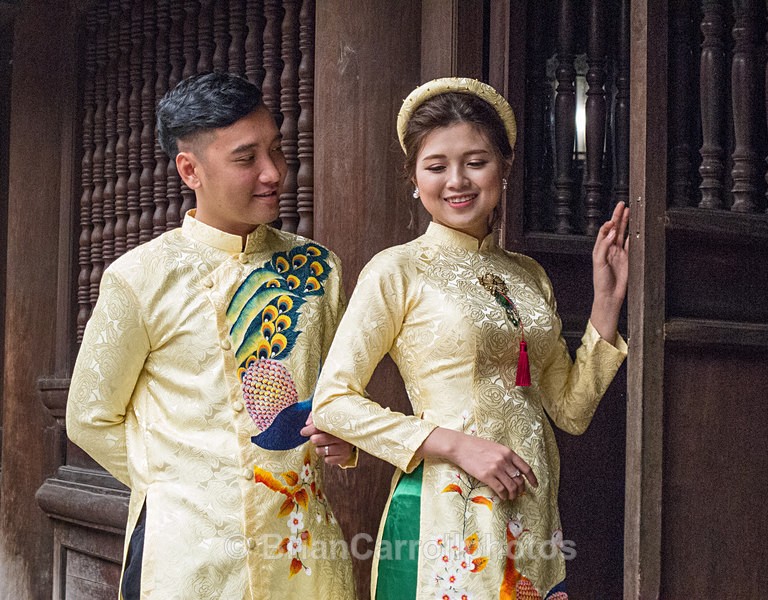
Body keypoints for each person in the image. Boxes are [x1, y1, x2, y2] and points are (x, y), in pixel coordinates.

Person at [312, 77, 629, 599]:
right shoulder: (398, 270)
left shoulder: (529, 276)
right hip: (445, 510)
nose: (456, 180)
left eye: (476, 162)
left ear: (504, 168)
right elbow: (332, 403)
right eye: (436, 166)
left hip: (531, 514)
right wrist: (458, 445)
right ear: (414, 177)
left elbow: (569, 411)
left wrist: (606, 305)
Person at [66, 72, 357, 600]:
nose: (273, 173)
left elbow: (339, 396)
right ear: (190, 169)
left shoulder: (318, 271)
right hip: (183, 559)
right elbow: (89, 416)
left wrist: (344, 435)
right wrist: (185, 485)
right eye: (247, 159)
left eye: (276, 150)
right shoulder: (140, 277)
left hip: (302, 547)